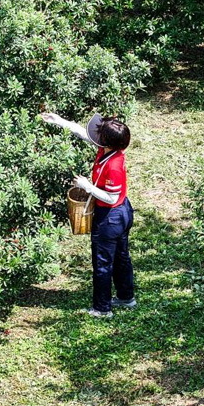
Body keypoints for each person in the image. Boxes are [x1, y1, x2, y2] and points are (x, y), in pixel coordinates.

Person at [40, 111, 135, 318]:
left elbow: (110, 197)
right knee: (121, 257)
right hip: (123, 212)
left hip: (111, 216)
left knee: (103, 263)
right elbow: (85, 134)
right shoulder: (109, 149)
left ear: (108, 141)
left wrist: (88, 186)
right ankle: (126, 297)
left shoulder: (114, 165)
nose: (95, 135)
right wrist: (60, 121)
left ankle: (102, 309)